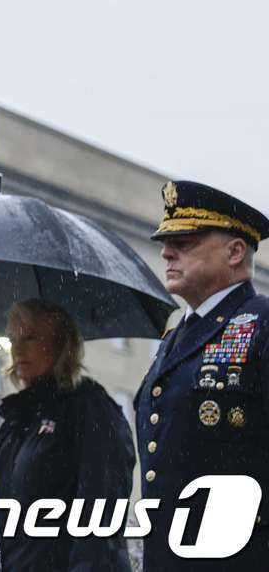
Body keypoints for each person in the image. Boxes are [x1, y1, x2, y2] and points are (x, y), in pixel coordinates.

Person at [136, 180, 269, 570]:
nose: (166, 252)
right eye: (166, 243)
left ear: (235, 252)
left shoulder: (262, 324)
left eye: (185, 241)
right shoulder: (174, 339)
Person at [0, 298, 134, 571]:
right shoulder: (16, 417)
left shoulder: (91, 409)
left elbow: (100, 521)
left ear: (61, 344)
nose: (18, 348)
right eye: (12, 339)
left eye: (30, 337)